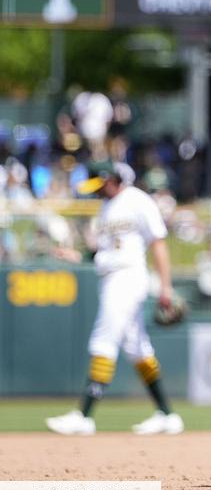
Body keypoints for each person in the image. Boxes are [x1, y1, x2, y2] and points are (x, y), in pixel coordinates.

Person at [45, 162, 184, 436]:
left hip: (128, 276)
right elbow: (105, 251)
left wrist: (166, 287)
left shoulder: (137, 200)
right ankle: (167, 415)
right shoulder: (106, 207)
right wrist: (79, 256)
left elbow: (158, 242)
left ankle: (83, 415)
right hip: (110, 275)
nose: (97, 191)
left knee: (103, 340)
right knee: (137, 348)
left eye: (100, 184)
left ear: (112, 179)